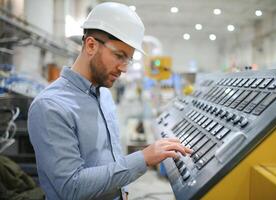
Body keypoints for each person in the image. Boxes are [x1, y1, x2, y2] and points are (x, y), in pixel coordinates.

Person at [27, 2, 192, 200]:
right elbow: (71, 187)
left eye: (128, 59)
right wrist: (143, 158)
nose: (124, 68)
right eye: (119, 55)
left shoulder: (104, 95)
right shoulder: (50, 106)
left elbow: (109, 162)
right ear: (91, 45)